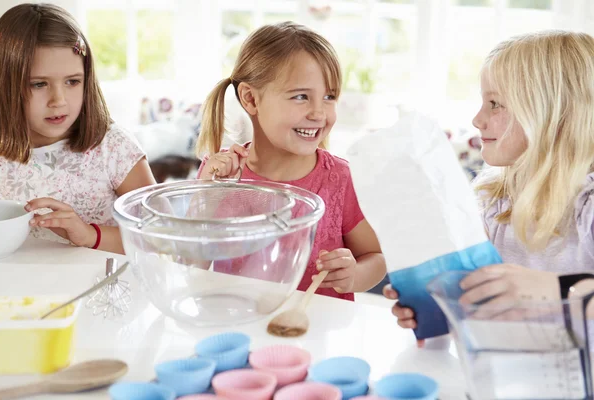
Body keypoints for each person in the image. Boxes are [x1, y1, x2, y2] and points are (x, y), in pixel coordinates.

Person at [385, 30, 594, 338]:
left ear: (555, 113)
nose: (477, 119)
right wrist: (434, 305)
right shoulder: (492, 197)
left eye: (495, 103)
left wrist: (554, 289)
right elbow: (479, 301)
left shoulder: (587, 205)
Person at [195, 22, 386, 301]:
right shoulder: (217, 177)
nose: (319, 112)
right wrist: (206, 197)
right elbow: (189, 267)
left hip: (315, 335)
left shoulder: (341, 179)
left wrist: (354, 274)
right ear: (250, 99)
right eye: (300, 96)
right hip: (236, 325)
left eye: (329, 96)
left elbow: (376, 257)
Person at [0, 4, 156, 254]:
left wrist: (90, 235)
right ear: (4, 84)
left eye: (72, 81)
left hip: (106, 286)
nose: (58, 99)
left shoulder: (113, 147)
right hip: (29, 289)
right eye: (38, 84)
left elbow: (160, 237)